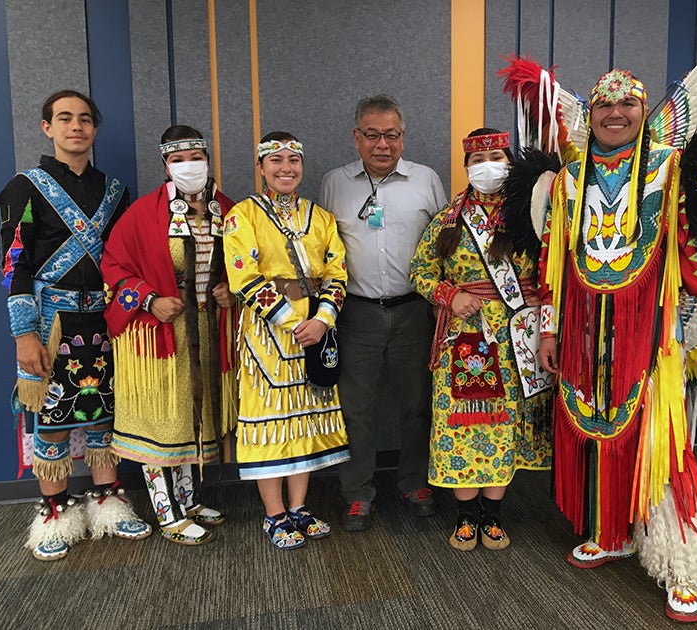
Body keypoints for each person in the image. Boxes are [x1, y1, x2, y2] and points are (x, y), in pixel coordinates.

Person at [535, 71, 697, 622]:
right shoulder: (568, 178)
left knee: (659, 442)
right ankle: (612, 530)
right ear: (589, 113)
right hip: (581, 336)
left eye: (627, 104)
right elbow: (552, 262)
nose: (614, 113)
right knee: (595, 432)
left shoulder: (672, 170)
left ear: (644, 111)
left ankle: (681, 565)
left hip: (647, 336)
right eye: (604, 105)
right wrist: (548, 330)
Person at [0, 90, 151, 561]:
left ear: (94, 129)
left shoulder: (116, 191)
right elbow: (13, 264)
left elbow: (125, 260)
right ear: (47, 127)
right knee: (51, 417)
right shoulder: (23, 187)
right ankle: (54, 510)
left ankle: (108, 499)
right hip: (50, 323)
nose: (76, 127)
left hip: (105, 319)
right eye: (64, 118)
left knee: (105, 411)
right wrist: (24, 334)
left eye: (85, 119)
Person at [410, 129, 552, 550]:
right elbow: (420, 272)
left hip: (517, 342)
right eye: (478, 159)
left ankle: (493, 516)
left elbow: (551, 272)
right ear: (467, 167)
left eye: (495, 156)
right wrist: (451, 295)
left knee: (501, 427)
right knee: (466, 426)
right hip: (467, 341)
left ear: (509, 161)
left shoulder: (532, 215)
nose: (487, 165)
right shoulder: (448, 220)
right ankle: (466, 517)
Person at [101, 126, 237, 545]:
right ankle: (168, 513)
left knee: (192, 417)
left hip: (207, 330)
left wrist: (229, 289)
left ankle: (188, 499)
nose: (188, 166)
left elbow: (246, 261)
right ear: (165, 165)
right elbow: (113, 267)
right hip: (157, 336)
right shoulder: (144, 213)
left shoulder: (228, 211)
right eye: (178, 160)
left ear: (209, 160)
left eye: (196, 157)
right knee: (163, 420)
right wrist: (148, 300)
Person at [319, 94, 447, 530]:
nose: (382, 144)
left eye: (391, 135)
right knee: (356, 407)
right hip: (355, 315)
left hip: (415, 311)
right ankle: (357, 492)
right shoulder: (334, 183)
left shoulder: (427, 180)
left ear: (403, 137)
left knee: (417, 404)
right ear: (356, 138)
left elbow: (444, 248)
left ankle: (415, 481)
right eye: (371, 135)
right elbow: (322, 250)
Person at [224, 131, 350, 549]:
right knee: (272, 421)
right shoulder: (243, 215)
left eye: (293, 160)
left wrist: (323, 318)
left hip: (316, 327)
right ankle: (274, 514)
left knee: (306, 420)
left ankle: (299, 507)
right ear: (260, 167)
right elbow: (244, 275)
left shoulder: (321, 217)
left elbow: (336, 271)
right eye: (275, 160)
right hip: (268, 332)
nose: (285, 168)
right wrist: (289, 319)